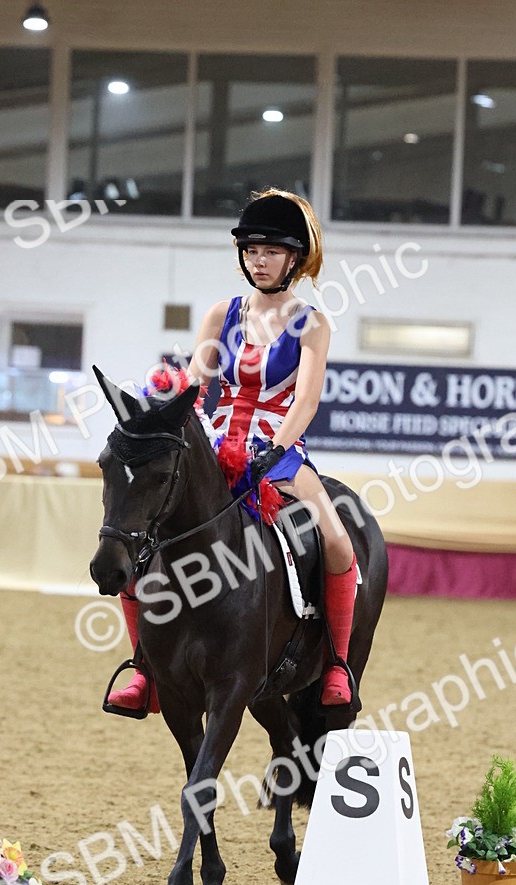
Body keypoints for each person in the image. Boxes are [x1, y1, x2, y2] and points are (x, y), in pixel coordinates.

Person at [107, 187, 357, 714]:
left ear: (294, 258)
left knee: (339, 545)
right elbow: (198, 382)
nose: (258, 261)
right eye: (250, 251)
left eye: (269, 252)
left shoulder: (312, 324)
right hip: (216, 440)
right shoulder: (224, 314)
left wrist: (277, 450)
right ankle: (143, 667)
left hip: (278, 450)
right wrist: (169, 404)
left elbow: (306, 401)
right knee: (144, 538)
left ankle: (336, 661)